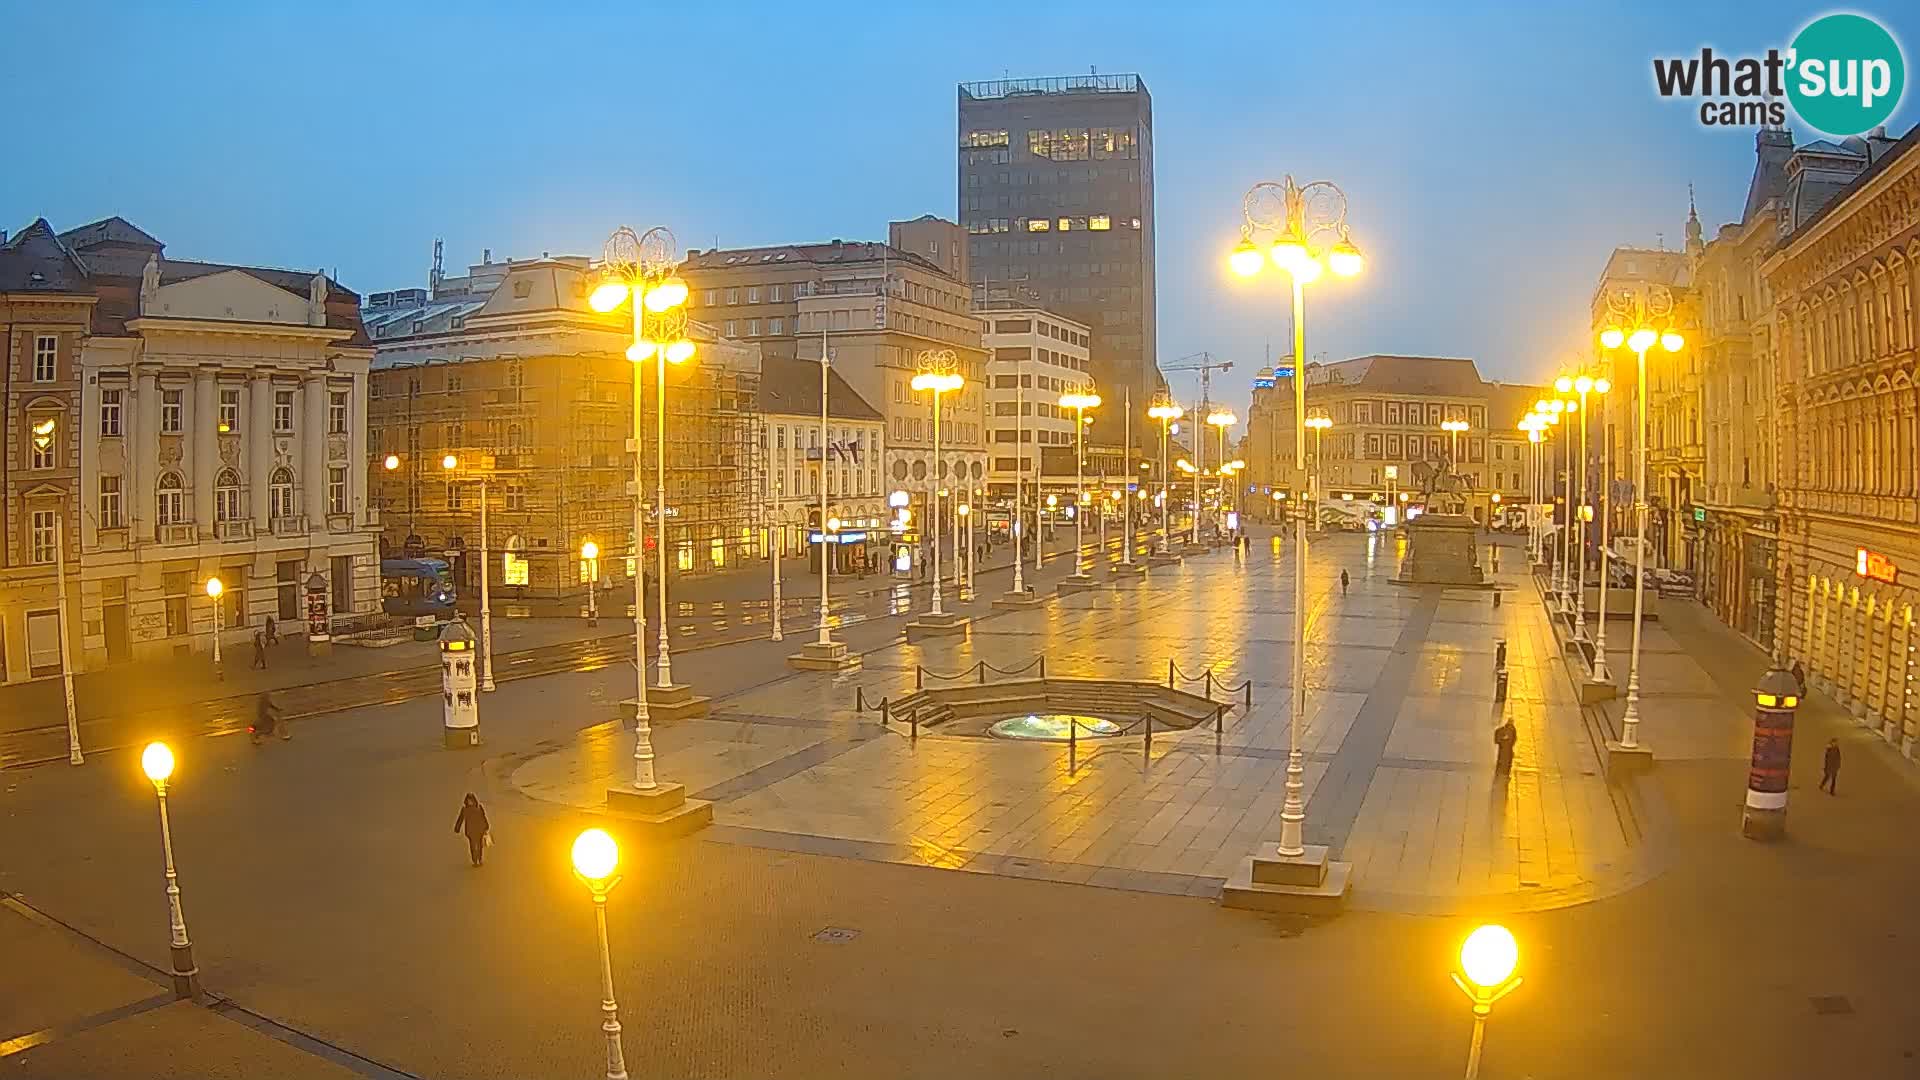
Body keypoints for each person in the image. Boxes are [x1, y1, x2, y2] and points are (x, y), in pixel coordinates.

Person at [454, 793, 490, 866]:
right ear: (466, 801)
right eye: (468, 800)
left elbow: (483, 817)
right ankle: (475, 860)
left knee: (480, 845)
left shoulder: (479, 807)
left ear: (474, 800)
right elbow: (460, 819)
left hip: (479, 830)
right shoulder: (464, 809)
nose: (470, 802)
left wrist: (486, 825)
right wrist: (457, 828)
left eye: (471, 800)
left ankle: (479, 859)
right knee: (473, 846)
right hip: (470, 831)